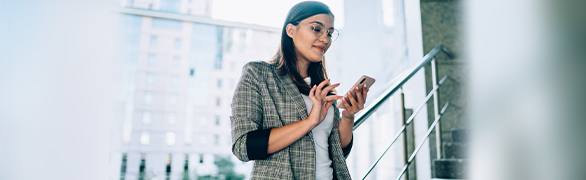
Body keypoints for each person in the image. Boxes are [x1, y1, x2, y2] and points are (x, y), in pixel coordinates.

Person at [230, 1, 369, 179]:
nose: (325, 39)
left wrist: (349, 116)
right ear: (291, 30)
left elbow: (336, 151)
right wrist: (310, 122)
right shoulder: (258, 74)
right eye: (316, 29)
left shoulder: (322, 88)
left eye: (330, 33)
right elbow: (243, 147)